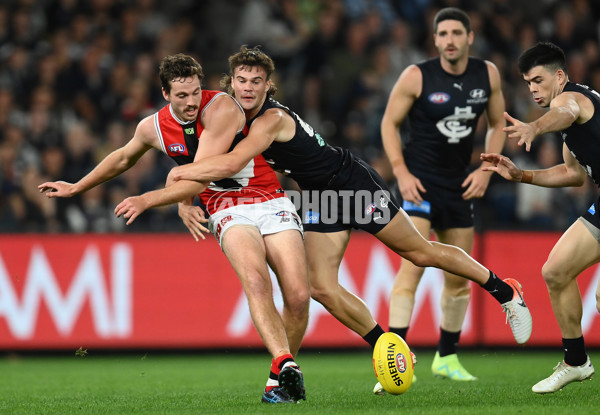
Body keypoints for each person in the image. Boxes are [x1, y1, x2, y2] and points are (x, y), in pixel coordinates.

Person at [116, 45, 532, 387]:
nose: (247, 88)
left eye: (256, 81)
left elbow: (226, 165)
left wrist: (173, 180)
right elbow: (200, 157)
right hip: (316, 198)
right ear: (230, 84)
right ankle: (387, 346)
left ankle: (503, 290)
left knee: (420, 253)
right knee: (319, 288)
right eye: (241, 80)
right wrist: (184, 195)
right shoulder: (226, 114)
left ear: (267, 85)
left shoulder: (270, 119)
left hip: (350, 185)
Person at [38, 53, 308, 404]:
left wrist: (153, 199)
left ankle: (278, 380)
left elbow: (200, 173)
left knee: (300, 297)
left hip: (269, 197)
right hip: (226, 207)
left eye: (196, 92)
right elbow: (122, 158)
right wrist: (77, 186)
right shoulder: (152, 128)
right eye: (181, 96)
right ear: (165, 94)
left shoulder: (222, 108)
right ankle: (285, 362)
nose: (192, 101)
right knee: (257, 281)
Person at [379, 7, 506, 383]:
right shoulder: (417, 75)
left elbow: (498, 123)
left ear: (470, 37)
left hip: (459, 184)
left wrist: (486, 169)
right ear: (434, 40)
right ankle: (396, 361)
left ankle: (446, 357)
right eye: (443, 34)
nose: (449, 40)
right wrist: (400, 172)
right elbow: (389, 122)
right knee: (412, 267)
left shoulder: (488, 74)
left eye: (456, 33)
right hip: (419, 184)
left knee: (458, 277)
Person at [481, 41, 597, 394]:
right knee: (556, 271)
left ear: (559, 77)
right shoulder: (571, 121)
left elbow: (566, 110)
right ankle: (576, 362)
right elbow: (573, 174)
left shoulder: (569, 101)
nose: (531, 89)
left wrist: (535, 128)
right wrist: (523, 176)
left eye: (537, 80)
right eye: (527, 83)